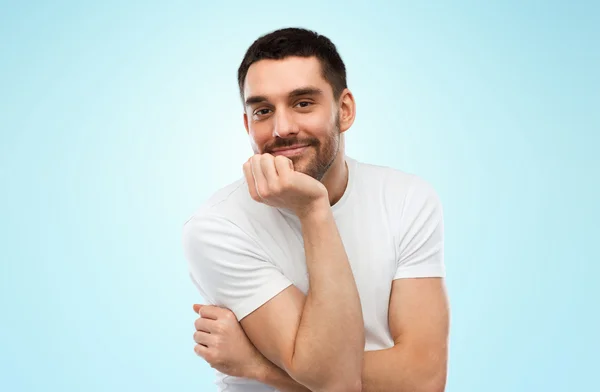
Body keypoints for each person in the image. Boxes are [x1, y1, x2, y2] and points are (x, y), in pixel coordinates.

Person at [182, 27, 450, 392]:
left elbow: (423, 380)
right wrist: (314, 210)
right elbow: (335, 379)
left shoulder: (407, 198)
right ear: (247, 124)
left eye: (303, 103)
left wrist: (258, 366)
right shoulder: (218, 227)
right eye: (262, 110)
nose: (282, 128)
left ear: (344, 110)